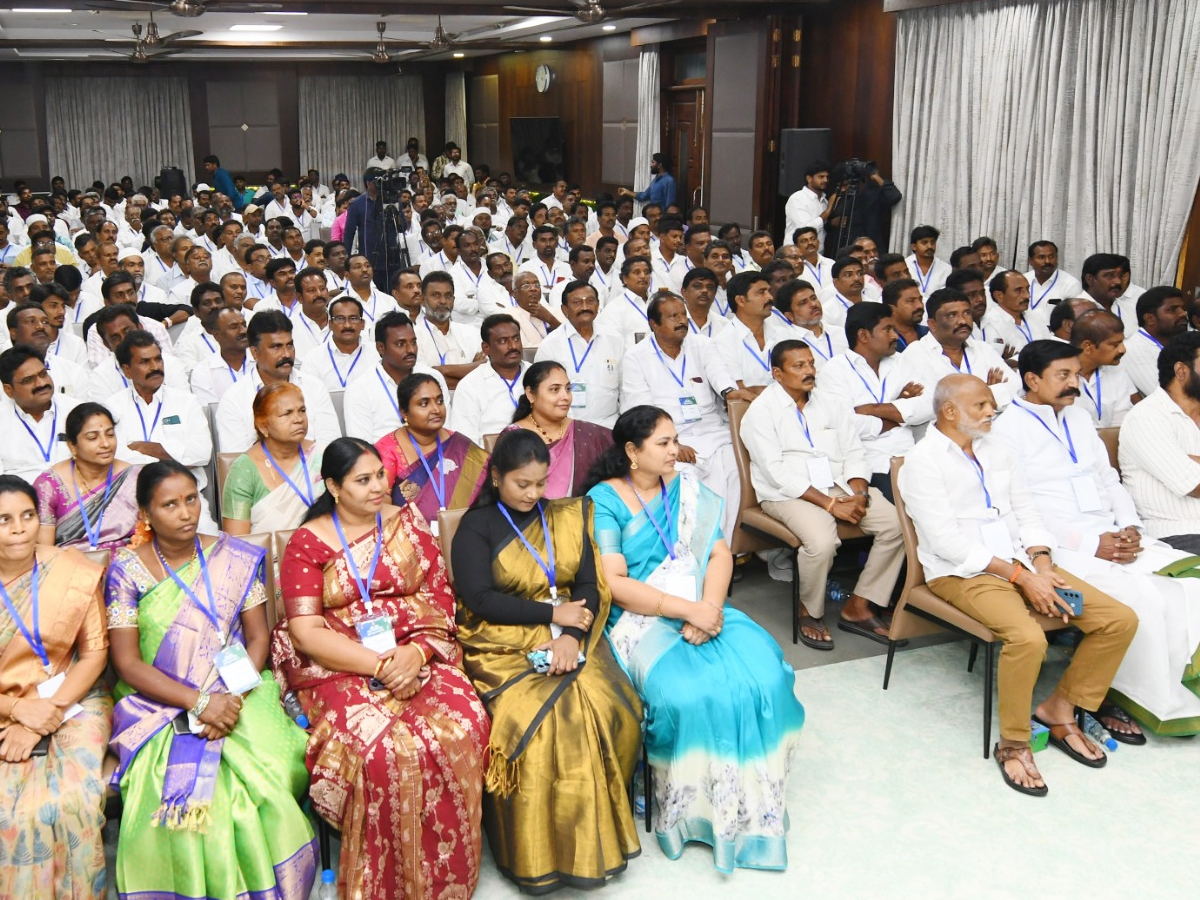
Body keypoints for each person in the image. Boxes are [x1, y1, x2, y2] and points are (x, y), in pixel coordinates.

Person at [586, 407, 804, 869]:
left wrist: (710, 608)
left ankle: (753, 805)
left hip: (706, 606)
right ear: (631, 451)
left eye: (675, 440)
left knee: (764, 675)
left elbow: (720, 553)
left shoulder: (687, 489)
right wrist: (690, 611)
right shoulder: (604, 500)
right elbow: (615, 583)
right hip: (640, 618)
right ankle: (690, 813)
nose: (675, 450)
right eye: (663, 443)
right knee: (687, 694)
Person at [898, 374, 1137, 795]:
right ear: (950, 412)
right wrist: (1021, 577)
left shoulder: (997, 448)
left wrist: (1041, 564)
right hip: (963, 572)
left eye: (992, 404)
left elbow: (1027, 511)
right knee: (1027, 639)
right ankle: (1013, 743)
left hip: (1022, 562)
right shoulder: (923, 461)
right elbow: (946, 542)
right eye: (981, 407)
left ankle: (1058, 709)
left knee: (1118, 619)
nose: (992, 412)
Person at [274, 438, 489, 898]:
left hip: (419, 652)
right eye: (363, 480)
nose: (378, 487)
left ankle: (447, 878)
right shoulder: (308, 542)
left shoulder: (408, 523)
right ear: (333, 486)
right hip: (339, 664)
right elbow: (307, 632)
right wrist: (382, 664)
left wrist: (418, 654)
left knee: (465, 725)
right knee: (385, 750)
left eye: (379, 475)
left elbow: (439, 596)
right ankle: (386, 884)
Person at [107, 462, 318, 900]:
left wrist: (229, 695)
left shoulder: (234, 555)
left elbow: (258, 636)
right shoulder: (127, 570)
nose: (186, 512)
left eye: (191, 499)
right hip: (159, 699)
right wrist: (198, 703)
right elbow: (127, 664)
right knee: (168, 789)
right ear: (145, 514)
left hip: (238, 687)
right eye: (169, 504)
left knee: (272, 770)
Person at [452, 429, 641, 892]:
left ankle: (598, 835)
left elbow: (589, 584)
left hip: (570, 630)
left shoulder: (565, 516)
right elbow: (478, 598)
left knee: (612, 704)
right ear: (496, 478)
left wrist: (572, 635)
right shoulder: (476, 528)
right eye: (522, 484)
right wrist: (551, 614)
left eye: (541, 484)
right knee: (551, 721)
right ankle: (535, 853)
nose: (534, 494)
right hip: (501, 638)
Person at [994, 340, 1200, 736]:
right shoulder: (1007, 430)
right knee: (1144, 601)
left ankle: (1160, 692)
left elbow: (1108, 479)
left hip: (1110, 532)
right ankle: (1115, 697)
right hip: (1062, 546)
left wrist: (1129, 527)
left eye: (1076, 374)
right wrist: (1091, 544)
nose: (1075, 383)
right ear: (1032, 380)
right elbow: (1022, 508)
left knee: (1184, 590)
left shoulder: (1079, 418)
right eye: (1063, 376)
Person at [741, 339, 905, 646]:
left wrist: (859, 491)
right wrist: (830, 504)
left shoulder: (830, 402)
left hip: (840, 484)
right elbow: (777, 473)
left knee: (896, 526)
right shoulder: (760, 412)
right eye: (799, 366)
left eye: (811, 363)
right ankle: (809, 609)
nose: (809, 371)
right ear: (777, 373)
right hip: (787, 493)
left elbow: (855, 451)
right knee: (821, 541)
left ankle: (859, 605)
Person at [0, 475, 110, 899]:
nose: (19, 529)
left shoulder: (72, 571)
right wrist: (16, 710)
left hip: (74, 699)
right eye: (4, 519)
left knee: (73, 798)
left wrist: (44, 713)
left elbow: (95, 654)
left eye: (28, 516)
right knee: (12, 813)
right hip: (8, 706)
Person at [619, 293, 748, 541]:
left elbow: (720, 376)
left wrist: (731, 392)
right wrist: (672, 444)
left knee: (736, 471)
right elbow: (642, 410)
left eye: (682, 315)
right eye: (672, 316)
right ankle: (693, 550)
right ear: (654, 325)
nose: (681, 321)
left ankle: (727, 548)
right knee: (687, 480)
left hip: (713, 431)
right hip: (670, 437)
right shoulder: (636, 356)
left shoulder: (702, 345)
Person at [819, 303, 929, 503]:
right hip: (871, 464)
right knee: (913, 510)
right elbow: (845, 426)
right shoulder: (834, 371)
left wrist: (872, 409)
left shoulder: (901, 361)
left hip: (913, 458)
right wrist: (900, 411)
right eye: (887, 329)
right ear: (863, 336)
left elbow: (928, 406)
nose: (895, 336)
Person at [1118, 331, 1200, 553]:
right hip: (1177, 535)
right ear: (1182, 371)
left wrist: (1194, 460)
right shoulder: (1146, 417)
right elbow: (1194, 485)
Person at [216, 311, 341, 454]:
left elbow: (330, 446)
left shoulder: (314, 387)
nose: (287, 354)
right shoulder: (234, 399)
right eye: (276, 347)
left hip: (314, 472)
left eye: (289, 345)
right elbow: (236, 460)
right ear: (255, 353)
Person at [374, 372, 488, 524]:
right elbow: (380, 506)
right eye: (424, 403)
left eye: (439, 401)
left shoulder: (458, 444)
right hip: (411, 538)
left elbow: (490, 485)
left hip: (466, 530)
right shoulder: (387, 450)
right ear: (404, 412)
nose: (436, 409)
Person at [897, 287, 1018, 427]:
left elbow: (1015, 387)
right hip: (945, 441)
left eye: (967, 313)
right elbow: (932, 405)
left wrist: (962, 399)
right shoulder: (916, 354)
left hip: (992, 432)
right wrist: (987, 394)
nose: (962, 321)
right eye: (951, 315)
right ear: (932, 324)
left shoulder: (983, 349)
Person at [35, 402, 142, 550]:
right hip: (70, 568)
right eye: (93, 438)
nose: (105, 443)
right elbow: (44, 551)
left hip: (126, 566)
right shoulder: (49, 485)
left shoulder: (134, 478)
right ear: (72, 445)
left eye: (110, 434)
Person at [222, 382, 324, 535]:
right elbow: (238, 544)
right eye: (287, 413)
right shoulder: (244, 470)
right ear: (263, 426)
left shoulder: (322, 455)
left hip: (324, 553)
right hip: (270, 557)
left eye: (302, 410)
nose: (298, 419)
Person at [503, 361, 613, 498]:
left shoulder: (586, 433)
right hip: (531, 517)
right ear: (531, 394)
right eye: (555, 389)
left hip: (582, 515)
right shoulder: (514, 437)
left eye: (568, 389)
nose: (565, 397)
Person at [448, 314, 530, 445]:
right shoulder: (470, 386)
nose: (513, 346)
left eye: (516, 339)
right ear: (486, 348)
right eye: (503, 341)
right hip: (492, 461)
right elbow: (465, 444)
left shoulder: (538, 376)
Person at [1068, 308, 1140, 427]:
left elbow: (1120, 425)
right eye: (1114, 345)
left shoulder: (1117, 370)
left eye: (1122, 342)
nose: (1123, 350)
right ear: (1088, 346)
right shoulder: (1057, 374)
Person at [1123, 285, 1188, 397]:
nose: (1183, 313)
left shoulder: (1183, 344)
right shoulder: (1133, 349)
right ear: (1150, 319)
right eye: (1172, 310)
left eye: (1183, 308)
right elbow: (1164, 395)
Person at [982, 269, 1050, 352]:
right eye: (1018, 291)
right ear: (999, 296)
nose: (1027, 296)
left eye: (1027, 289)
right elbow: (994, 361)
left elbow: (1050, 348)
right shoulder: (990, 324)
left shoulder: (1036, 318)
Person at [784, 159, 832, 250]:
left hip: (818, 255)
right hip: (796, 255)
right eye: (821, 177)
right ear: (809, 178)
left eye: (827, 177)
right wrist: (828, 211)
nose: (825, 180)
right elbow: (805, 230)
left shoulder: (825, 201)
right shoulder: (797, 198)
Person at [905, 225, 951, 298]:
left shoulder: (946, 269)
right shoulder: (905, 266)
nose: (930, 246)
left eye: (932, 242)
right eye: (924, 242)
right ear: (914, 246)